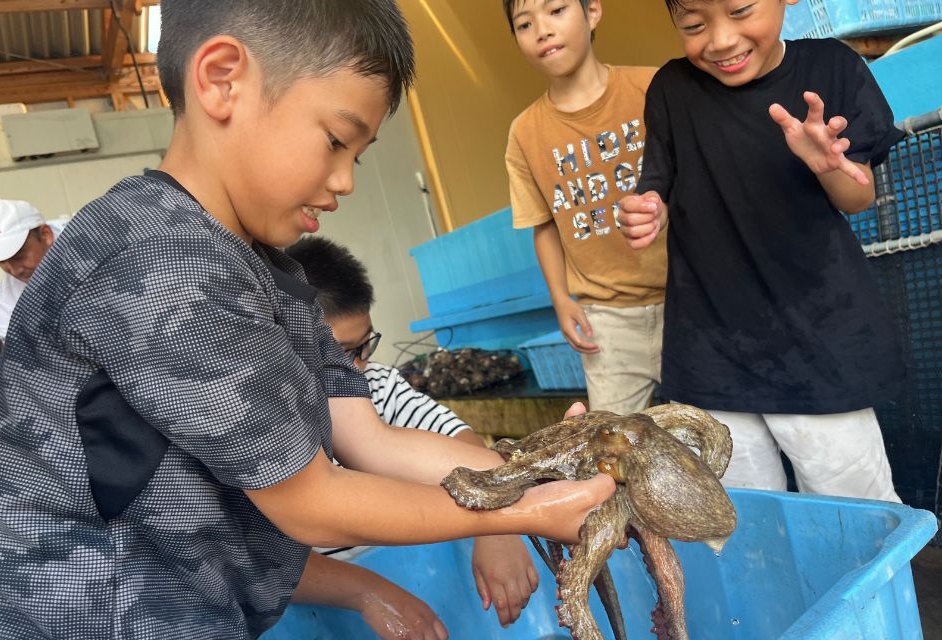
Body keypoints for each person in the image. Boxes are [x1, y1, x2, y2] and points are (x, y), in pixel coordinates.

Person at [0, 1, 616, 639]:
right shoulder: (157, 258)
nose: (344, 181)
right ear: (223, 79)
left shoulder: (264, 270)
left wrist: (529, 471)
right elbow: (314, 502)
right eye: (337, 141)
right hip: (75, 611)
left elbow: (370, 438)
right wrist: (523, 511)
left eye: (358, 157)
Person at [619, 0, 903, 502]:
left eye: (741, 10)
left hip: (821, 348)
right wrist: (646, 211)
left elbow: (858, 196)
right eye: (693, 24)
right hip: (711, 354)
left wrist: (828, 166)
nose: (721, 39)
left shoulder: (833, 67)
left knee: (857, 518)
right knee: (741, 525)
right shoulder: (672, 88)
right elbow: (657, 187)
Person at [286, 236, 539, 627]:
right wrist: (368, 592)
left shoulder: (380, 383)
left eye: (364, 347)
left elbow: (457, 441)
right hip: (315, 606)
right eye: (338, 354)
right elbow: (256, 558)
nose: (356, 370)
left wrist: (498, 522)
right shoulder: (270, 418)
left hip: (411, 567)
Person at [503, 0, 668, 415]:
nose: (542, 29)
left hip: (688, 300)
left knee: (709, 434)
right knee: (613, 444)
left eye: (556, 10)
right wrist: (561, 299)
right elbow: (543, 225)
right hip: (606, 321)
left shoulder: (653, 88)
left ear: (593, 11)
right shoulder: (525, 133)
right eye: (525, 23)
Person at [0, 199, 65, 341]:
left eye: (18, 257)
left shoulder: (94, 248)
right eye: (2, 261)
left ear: (46, 235)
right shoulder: (6, 308)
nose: (14, 271)